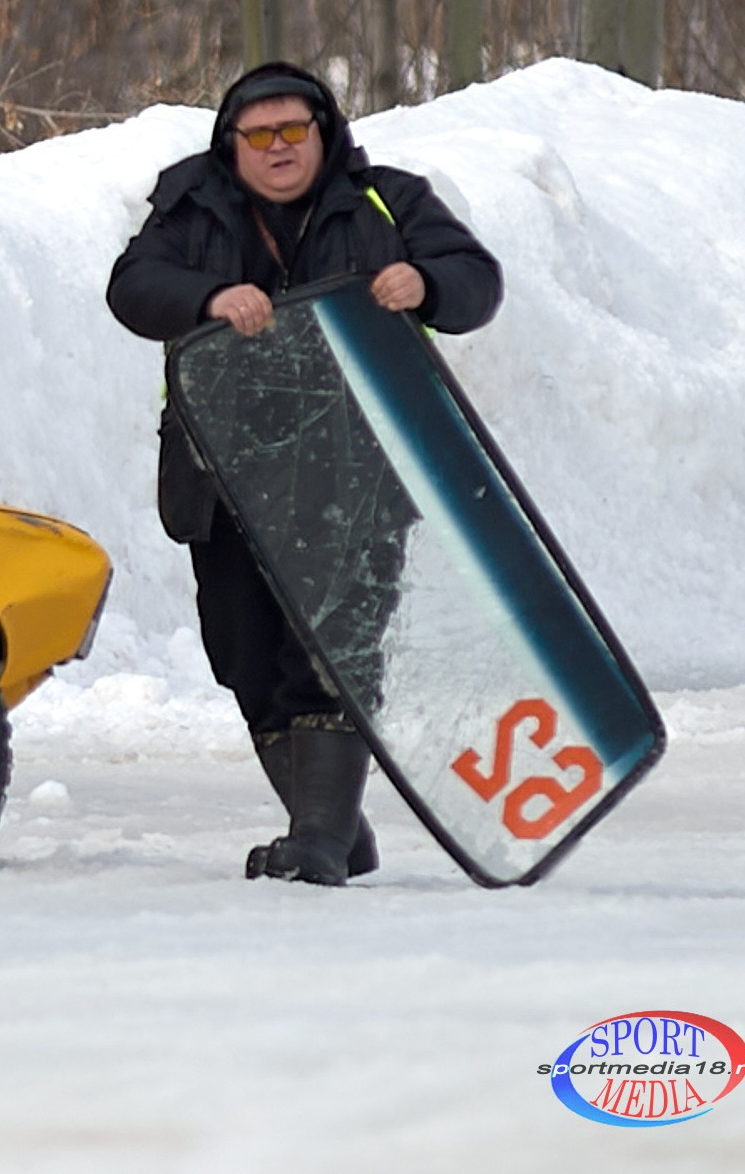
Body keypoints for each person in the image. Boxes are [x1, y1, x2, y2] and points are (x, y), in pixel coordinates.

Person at [106, 62, 503, 886]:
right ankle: (331, 824)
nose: (279, 147)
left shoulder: (388, 201)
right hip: (224, 477)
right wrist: (212, 295)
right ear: (233, 145)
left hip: (356, 473)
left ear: (325, 132)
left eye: (295, 129)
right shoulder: (189, 206)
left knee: (328, 649)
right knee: (246, 658)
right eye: (260, 134)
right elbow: (133, 288)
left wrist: (424, 281)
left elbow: (476, 280)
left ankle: (318, 841)